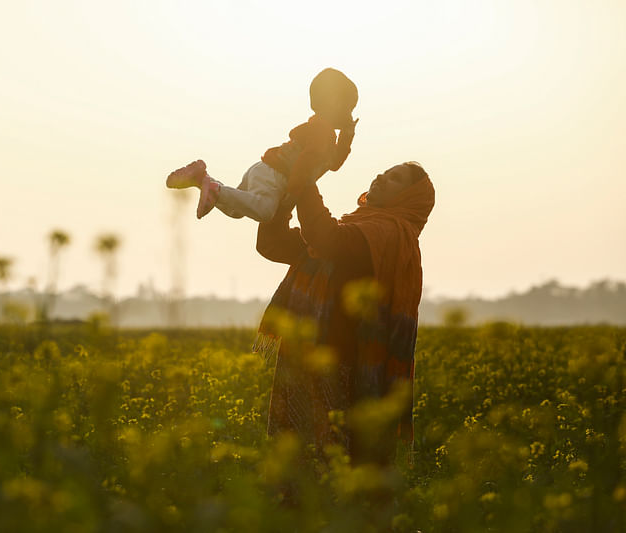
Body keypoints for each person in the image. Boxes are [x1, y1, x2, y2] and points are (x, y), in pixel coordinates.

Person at [254, 161, 435, 464]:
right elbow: (271, 244)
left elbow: (326, 238)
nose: (380, 177)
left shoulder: (387, 236)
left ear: (407, 199)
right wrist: (285, 196)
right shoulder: (356, 228)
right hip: (303, 361)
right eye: (383, 172)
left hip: (341, 369)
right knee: (293, 471)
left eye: (394, 180)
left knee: (331, 470)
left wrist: (305, 182)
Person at [165, 68, 358, 221]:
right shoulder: (322, 132)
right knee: (265, 211)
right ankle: (216, 189)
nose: (349, 114)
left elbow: (334, 164)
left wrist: (347, 135)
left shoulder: (321, 130)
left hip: (264, 170)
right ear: (335, 103)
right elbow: (306, 162)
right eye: (349, 107)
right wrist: (293, 192)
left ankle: (202, 179)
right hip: (275, 176)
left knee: (236, 209)